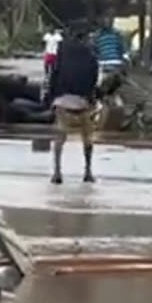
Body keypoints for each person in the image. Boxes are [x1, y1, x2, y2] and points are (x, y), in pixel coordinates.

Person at [46, 26, 100, 184]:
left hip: (61, 102)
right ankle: (88, 171)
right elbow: (93, 80)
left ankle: (57, 172)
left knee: (59, 137)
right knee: (88, 138)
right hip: (82, 103)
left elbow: (52, 75)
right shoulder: (91, 56)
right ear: (84, 38)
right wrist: (92, 98)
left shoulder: (62, 53)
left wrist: (50, 99)